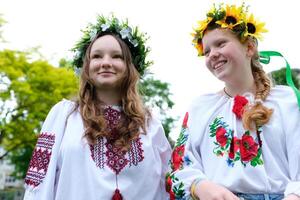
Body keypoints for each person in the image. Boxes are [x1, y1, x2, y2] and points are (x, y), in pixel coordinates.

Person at [23, 15, 171, 200]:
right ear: (86, 66)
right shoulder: (63, 116)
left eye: (116, 56)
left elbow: (167, 184)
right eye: (97, 56)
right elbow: (37, 185)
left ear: (130, 67)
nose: (106, 62)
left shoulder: (150, 124)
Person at [166, 3, 300, 200]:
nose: (212, 53)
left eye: (220, 44)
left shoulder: (287, 100)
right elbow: (179, 169)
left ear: (249, 47)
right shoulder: (200, 108)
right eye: (206, 51)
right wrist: (199, 186)